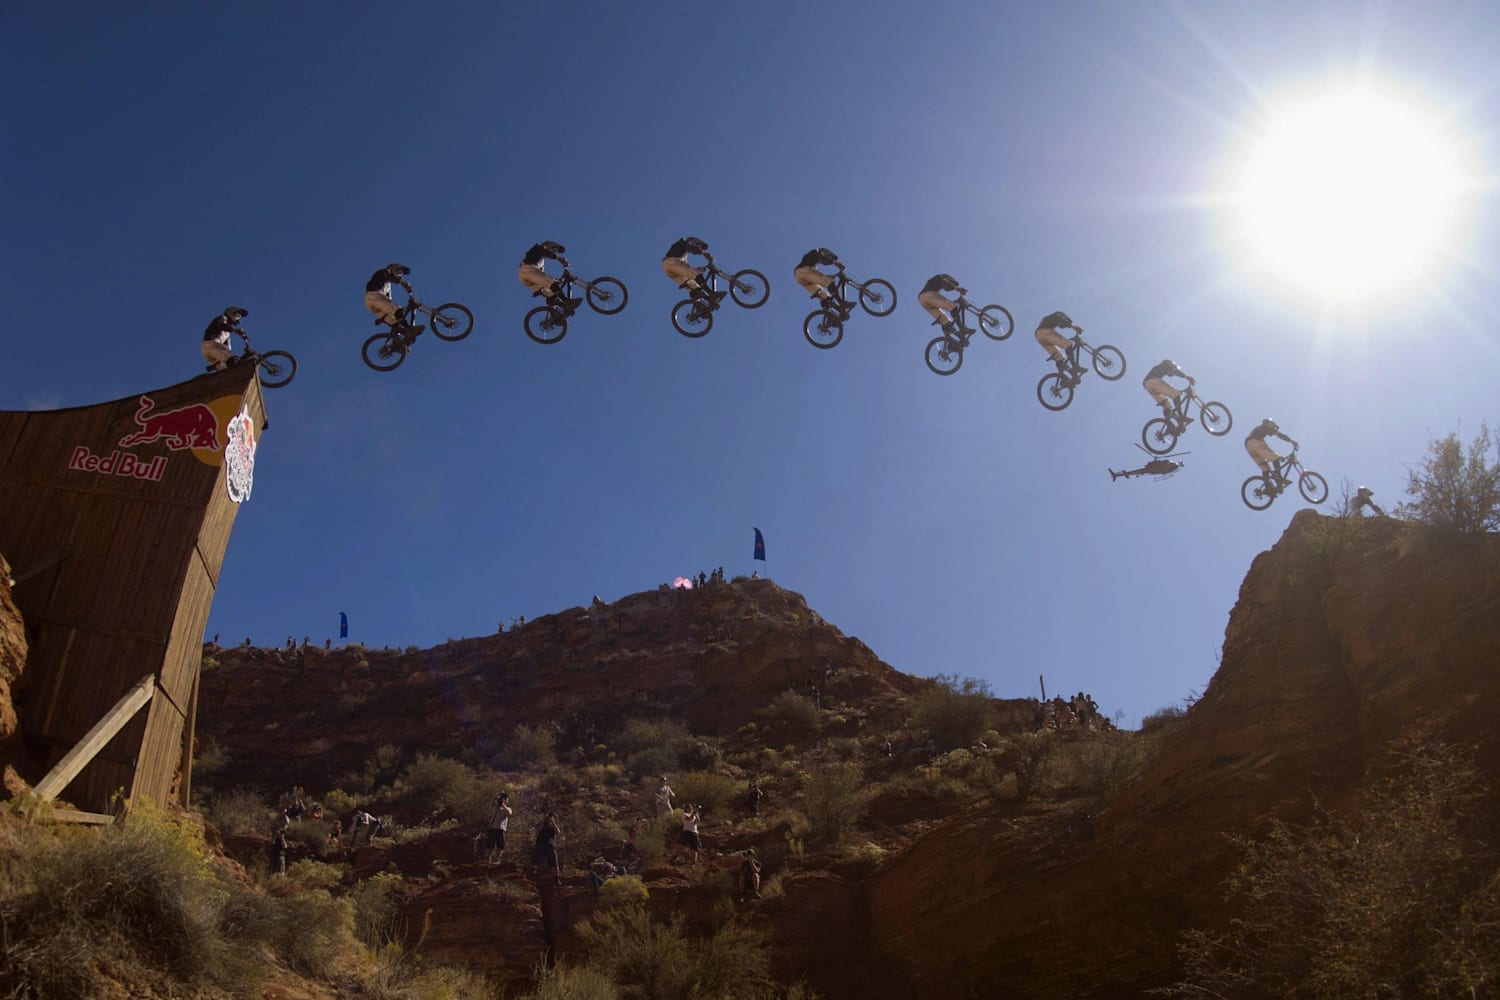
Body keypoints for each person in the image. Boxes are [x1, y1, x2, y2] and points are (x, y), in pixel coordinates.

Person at [364, 262, 422, 343]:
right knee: (396, 309)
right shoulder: (384, 272)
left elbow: (389, 301)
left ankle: (395, 344)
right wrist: (402, 283)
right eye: (399, 273)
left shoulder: (388, 286)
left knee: (395, 322)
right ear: (394, 269)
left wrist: (402, 310)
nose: (400, 276)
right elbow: (389, 275)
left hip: (373, 304)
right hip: (374, 296)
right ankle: (410, 330)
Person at [518, 240, 581, 314]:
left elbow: (542, 276)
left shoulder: (541, 261)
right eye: (553, 250)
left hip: (529, 278)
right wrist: (559, 258)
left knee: (551, 291)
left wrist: (556, 282)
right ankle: (567, 302)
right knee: (549, 282)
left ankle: (554, 315)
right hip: (526, 269)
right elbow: (544, 251)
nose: (554, 252)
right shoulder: (539, 248)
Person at [662, 236, 722, 308]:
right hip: (671, 263)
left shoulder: (683, 254)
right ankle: (711, 294)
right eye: (699, 246)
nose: (699, 248)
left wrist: (699, 269)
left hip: (670, 268)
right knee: (695, 274)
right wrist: (704, 253)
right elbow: (692, 249)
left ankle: (700, 308)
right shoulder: (683, 243)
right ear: (694, 242)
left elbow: (685, 269)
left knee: (693, 287)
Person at [793, 248, 850, 317]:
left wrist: (829, 277)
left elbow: (817, 275)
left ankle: (830, 316)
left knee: (823, 295)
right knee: (828, 282)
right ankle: (841, 303)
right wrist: (836, 263)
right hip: (803, 271)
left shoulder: (813, 263)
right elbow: (823, 258)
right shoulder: (816, 252)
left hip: (800, 277)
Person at [1245, 418, 1298, 486]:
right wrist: (1291, 441)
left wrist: (1279, 457)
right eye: (1273, 428)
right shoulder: (1265, 428)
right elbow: (1280, 435)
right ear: (1269, 425)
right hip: (1254, 444)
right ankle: (1279, 479)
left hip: (1249, 447)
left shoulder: (1259, 433)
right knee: (1275, 458)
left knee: (1266, 469)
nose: (1273, 431)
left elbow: (1267, 450)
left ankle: (1268, 488)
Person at [1142, 359, 1194, 424]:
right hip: (1153, 381)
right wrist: (1186, 377)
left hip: (1147, 386)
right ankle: (1181, 417)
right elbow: (1175, 371)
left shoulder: (1158, 368)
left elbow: (1161, 388)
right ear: (1170, 364)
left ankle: (1169, 425)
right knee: (1175, 394)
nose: (1171, 373)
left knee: (1166, 406)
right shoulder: (1165, 365)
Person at [1036, 311, 1085, 378]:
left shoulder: (1048, 319)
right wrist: (1074, 327)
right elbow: (1059, 319)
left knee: (1059, 357)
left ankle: (1062, 378)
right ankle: (1075, 367)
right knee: (1068, 344)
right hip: (1045, 332)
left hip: (1038, 337)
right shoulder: (1056, 315)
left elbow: (1061, 323)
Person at [918, 274, 967, 340]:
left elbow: (946, 287)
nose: (952, 284)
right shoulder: (941, 277)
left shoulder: (934, 281)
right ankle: (962, 329)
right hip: (929, 295)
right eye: (952, 282)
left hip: (922, 300)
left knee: (945, 321)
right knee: (953, 307)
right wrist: (957, 288)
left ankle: (950, 341)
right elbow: (946, 284)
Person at [202, 307, 250, 371]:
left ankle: (216, 367)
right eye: (238, 316)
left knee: (227, 366)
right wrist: (235, 330)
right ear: (231, 313)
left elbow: (228, 348)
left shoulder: (228, 334)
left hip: (212, 350)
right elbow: (221, 325)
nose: (239, 319)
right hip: (211, 345)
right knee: (232, 360)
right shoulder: (223, 318)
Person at [532, 812, 563, 882]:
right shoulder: (541, 823)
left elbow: (558, 832)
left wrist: (553, 822)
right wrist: (543, 821)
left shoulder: (553, 825)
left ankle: (556, 878)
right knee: (535, 860)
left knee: (554, 861)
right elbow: (537, 828)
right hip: (541, 844)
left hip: (550, 844)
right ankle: (532, 875)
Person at [485, 792, 512, 863]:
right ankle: (487, 860)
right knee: (489, 846)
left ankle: (497, 860)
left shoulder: (508, 808)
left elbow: (509, 813)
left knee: (500, 846)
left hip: (501, 830)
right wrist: (497, 797)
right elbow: (492, 803)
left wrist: (503, 805)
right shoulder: (495, 807)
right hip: (492, 829)